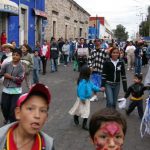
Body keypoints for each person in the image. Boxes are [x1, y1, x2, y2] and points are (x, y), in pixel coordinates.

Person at [0, 83, 55, 150]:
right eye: (30, 109)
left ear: (46, 117)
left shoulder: (48, 145)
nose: (37, 116)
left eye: (43, 111)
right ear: (18, 113)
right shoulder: (2, 139)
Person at [69, 66, 100, 130]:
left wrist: (99, 89)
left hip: (87, 99)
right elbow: (81, 91)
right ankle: (76, 116)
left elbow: (93, 86)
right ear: (86, 73)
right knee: (79, 110)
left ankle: (84, 124)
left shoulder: (88, 80)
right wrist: (82, 98)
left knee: (86, 111)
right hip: (82, 99)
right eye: (89, 70)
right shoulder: (83, 82)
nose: (91, 71)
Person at [0, 49, 24, 124]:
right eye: (13, 54)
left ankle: (12, 123)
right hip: (6, 89)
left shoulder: (21, 67)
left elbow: (20, 79)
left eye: (17, 55)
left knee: (13, 108)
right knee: (4, 106)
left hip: (16, 91)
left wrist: (10, 77)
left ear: (20, 56)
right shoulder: (7, 64)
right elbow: (1, 73)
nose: (15, 56)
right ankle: (6, 118)